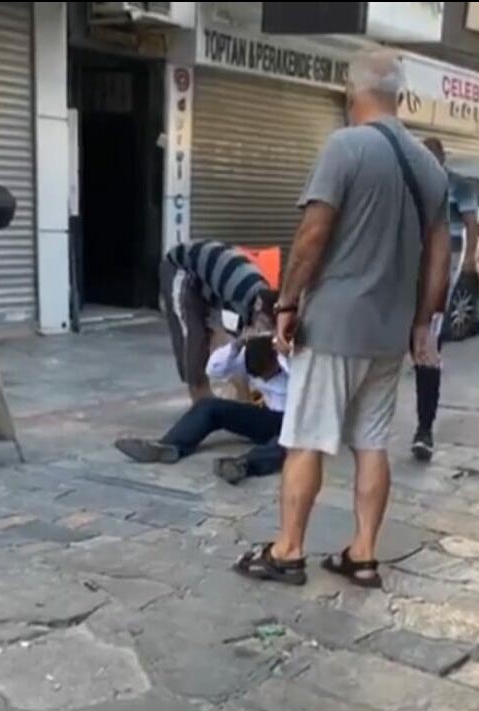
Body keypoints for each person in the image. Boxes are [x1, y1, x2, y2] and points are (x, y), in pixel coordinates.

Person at [233, 50, 450, 587]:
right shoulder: (429, 165)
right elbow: (440, 260)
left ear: (352, 91)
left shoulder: (345, 146)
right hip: (387, 331)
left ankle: (287, 550)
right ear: (398, 94)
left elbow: (312, 235)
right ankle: (363, 554)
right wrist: (421, 322)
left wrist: (286, 303)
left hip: (333, 324)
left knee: (306, 438)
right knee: (372, 442)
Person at [115, 335, 288, 485]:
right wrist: (237, 345)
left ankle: (244, 465)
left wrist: (284, 354)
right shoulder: (253, 355)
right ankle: (168, 447)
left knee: (289, 441)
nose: (264, 380)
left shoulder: (292, 361)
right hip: (269, 418)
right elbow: (214, 370)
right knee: (209, 406)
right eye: (260, 377)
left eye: (269, 374)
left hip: (301, 422)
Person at [412, 138, 479, 462]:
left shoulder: (457, 185)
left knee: (428, 348)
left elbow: (470, 223)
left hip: (441, 267)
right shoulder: (409, 183)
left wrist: (470, 257)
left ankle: (424, 429)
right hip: (406, 270)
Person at [160, 240, 278, 403]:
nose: (262, 331)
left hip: (211, 285)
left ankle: (240, 400)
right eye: (264, 326)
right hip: (182, 269)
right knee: (194, 339)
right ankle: (200, 400)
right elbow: (235, 343)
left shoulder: (258, 301)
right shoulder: (239, 295)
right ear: (258, 310)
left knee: (228, 341)